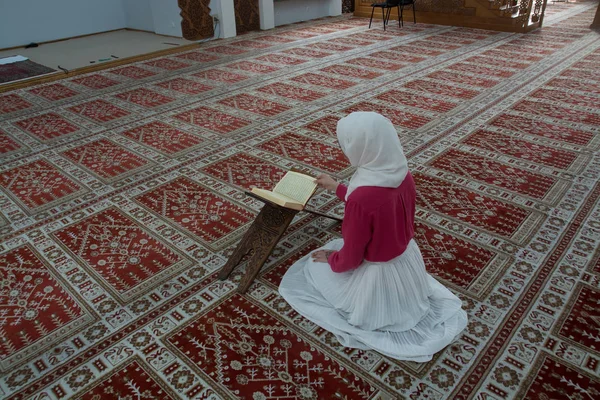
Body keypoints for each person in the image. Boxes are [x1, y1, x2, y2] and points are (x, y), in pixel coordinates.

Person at [279, 111, 468, 362]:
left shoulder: (361, 199)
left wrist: (333, 259)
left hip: (376, 277)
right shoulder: (401, 173)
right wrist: (337, 187)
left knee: (312, 269)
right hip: (406, 259)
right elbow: (375, 205)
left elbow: (352, 257)